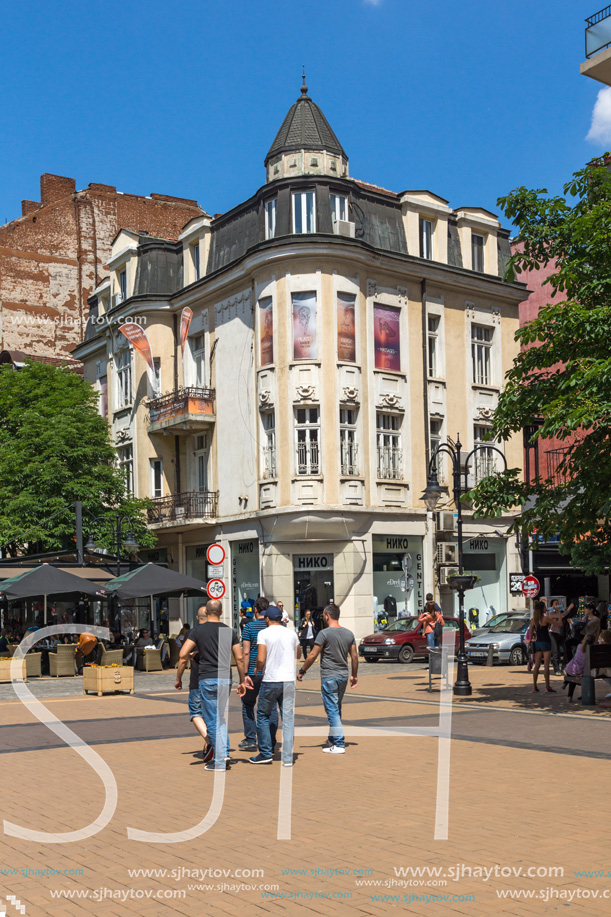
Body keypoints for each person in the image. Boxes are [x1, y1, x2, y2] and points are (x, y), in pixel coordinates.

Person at [179, 600, 246, 771]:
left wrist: (195, 656)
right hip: (225, 678)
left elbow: (182, 653)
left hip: (207, 678)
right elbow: (239, 658)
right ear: (221, 612)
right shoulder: (228, 631)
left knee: (212, 721)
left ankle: (220, 760)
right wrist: (242, 680)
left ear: (207, 612)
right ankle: (223, 754)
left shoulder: (198, 631)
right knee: (220, 718)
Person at [297, 602, 358, 754]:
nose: (323, 617)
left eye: (324, 614)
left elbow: (312, 655)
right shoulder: (349, 634)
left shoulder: (324, 634)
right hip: (343, 676)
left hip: (329, 676)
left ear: (328, 616)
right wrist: (354, 675)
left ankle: (338, 743)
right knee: (336, 708)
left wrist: (302, 670)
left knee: (331, 709)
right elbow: (355, 657)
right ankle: (332, 739)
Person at [248, 605, 300, 767]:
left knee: (263, 715)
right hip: (288, 680)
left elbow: (261, 658)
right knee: (288, 717)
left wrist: (256, 668)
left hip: (271, 680)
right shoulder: (291, 633)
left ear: (267, 619)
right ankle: (287, 756)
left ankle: (265, 752)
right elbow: (298, 654)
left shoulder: (263, 633)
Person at [238, 596, 278, 752]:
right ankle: (271, 741)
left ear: (255, 610)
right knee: (272, 707)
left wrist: (245, 674)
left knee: (248, 704)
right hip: (270, 672)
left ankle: (250, 738)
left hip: (254, 672)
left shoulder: (249, 627)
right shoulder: (273, 627)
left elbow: (245, 653)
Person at [174, 610, 210, 760]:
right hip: (219, 679)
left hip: (198, 679)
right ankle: (215, 747)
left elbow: (182, 658)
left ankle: (210, 742)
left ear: (197, 617)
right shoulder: (222, 630)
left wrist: (178, 678)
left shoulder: (193, 633)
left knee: (196, 712)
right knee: (213, 714)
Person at [531, 600, 555, 693]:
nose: (546, 608)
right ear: (542, 609)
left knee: (536, 665)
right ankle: (547, 686)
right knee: (546, 666)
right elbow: (559, 623)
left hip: (537, 643)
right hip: (546, 642)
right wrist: (558, 614)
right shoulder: (545, 618)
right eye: (544, 607)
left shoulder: (533, 620)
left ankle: (534, 686)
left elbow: (530, 634)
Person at [548, 599, 570, 676]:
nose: (557, 605)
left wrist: (568, 609)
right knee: (555, 652)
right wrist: (566, 610)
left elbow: (563, 615)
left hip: (560, 634)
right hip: (553, 634)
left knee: (565, 650)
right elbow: (561, 616)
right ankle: (556, 669)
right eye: (555, 604)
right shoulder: (550, 613)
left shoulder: (559, 612)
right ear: (552, 606)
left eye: (558, 604)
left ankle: (563, 667)